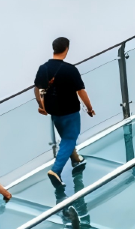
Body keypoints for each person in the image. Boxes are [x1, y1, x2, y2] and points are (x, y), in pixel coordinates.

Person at [34, 37, 94, 189]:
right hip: (70, 110)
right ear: (66, 49)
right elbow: (80, 91)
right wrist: (89, 107)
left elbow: (37, 88)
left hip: (54, 111)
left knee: (67, 136)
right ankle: (56, 170)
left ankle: (76, 159)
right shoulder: (70, 69)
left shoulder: (44, 68)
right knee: (70, 138)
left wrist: (42, 105)